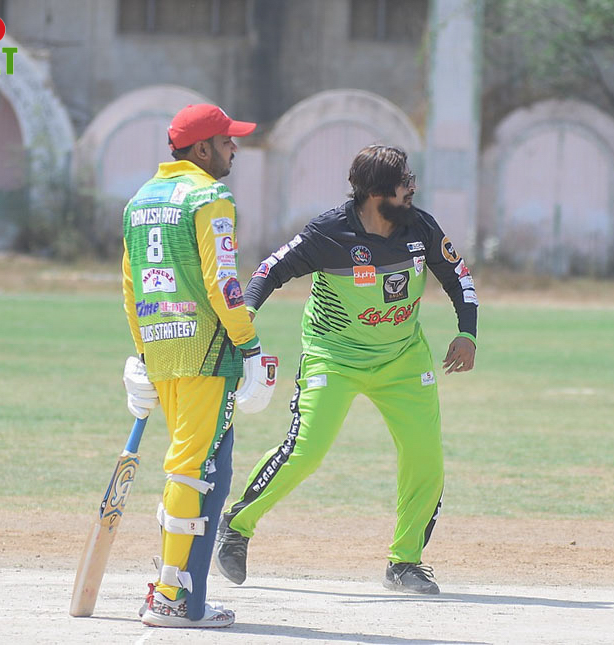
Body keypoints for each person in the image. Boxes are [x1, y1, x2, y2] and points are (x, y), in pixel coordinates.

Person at [215, 144, 478, 595]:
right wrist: (248, 313)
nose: (413, 188)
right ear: (376, 193)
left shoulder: (420, 227)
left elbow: (459, 277)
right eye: (404, 183)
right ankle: (236, 526)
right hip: (333, 356)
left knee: (425, 459)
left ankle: (405, 562)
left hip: (402, 358)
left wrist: (467, 333)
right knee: (307, 451)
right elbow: (270, 270)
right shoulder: (329, 232)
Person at [120, 103, 277, 628]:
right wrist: (249, 345)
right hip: (207, 352)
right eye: (228, 141)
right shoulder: (210, 197)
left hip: (162, 349)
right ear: (203, 148)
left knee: (197, 466)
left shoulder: (140, 199)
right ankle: (171, 597)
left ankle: (180, 594)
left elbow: (130, 286)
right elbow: (223, 282)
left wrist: (143, 355)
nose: (235, 149)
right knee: (193, 469)